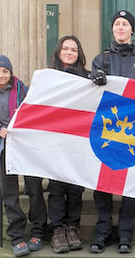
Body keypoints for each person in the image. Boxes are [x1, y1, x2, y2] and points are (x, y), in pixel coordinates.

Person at [89, 10, 135, 254]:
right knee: (102, 184)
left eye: (125, 24)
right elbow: (89, 96)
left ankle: (125, 234)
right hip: (105, 131)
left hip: (133, 132)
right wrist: (93, 79)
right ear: (112, 29)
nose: (121, 27)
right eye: (117, 24)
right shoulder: (99, 60)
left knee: (130, 185)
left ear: (132, 30)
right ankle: (103, 231)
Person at [0, 51, 47, 257]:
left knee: (34, 189)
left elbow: (39, 112)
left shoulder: (23, 90)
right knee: (9, 194)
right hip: (1, 149)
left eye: (5, 71)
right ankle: (17, 237)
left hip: (26, 147)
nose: (1, 75)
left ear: (11, 72)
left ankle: (38, 231)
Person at [47, 35, 89, 254]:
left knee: (75, 187)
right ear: (59, 51)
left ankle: (72, 227)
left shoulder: (88, 77)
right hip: (56, 141)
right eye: (66, 49)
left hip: (79, 141)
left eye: (74, 49)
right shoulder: (48, 77)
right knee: (56, 187)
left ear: (79, 53)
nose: (70, 52)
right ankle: (57, 229)